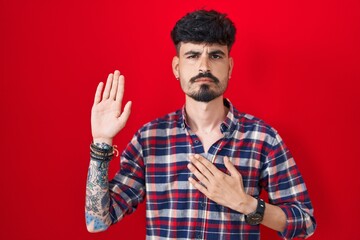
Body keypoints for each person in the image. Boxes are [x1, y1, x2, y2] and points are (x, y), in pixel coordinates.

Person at [85, 9, 316, 239]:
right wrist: (101, 143)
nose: (204, 67)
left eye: (215, 56)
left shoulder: (263, 139)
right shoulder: (150, 139)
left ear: (230, 67)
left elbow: (305, 222)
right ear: (177, 67)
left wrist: (247, 204)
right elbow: (98, 221)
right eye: (193, 56)